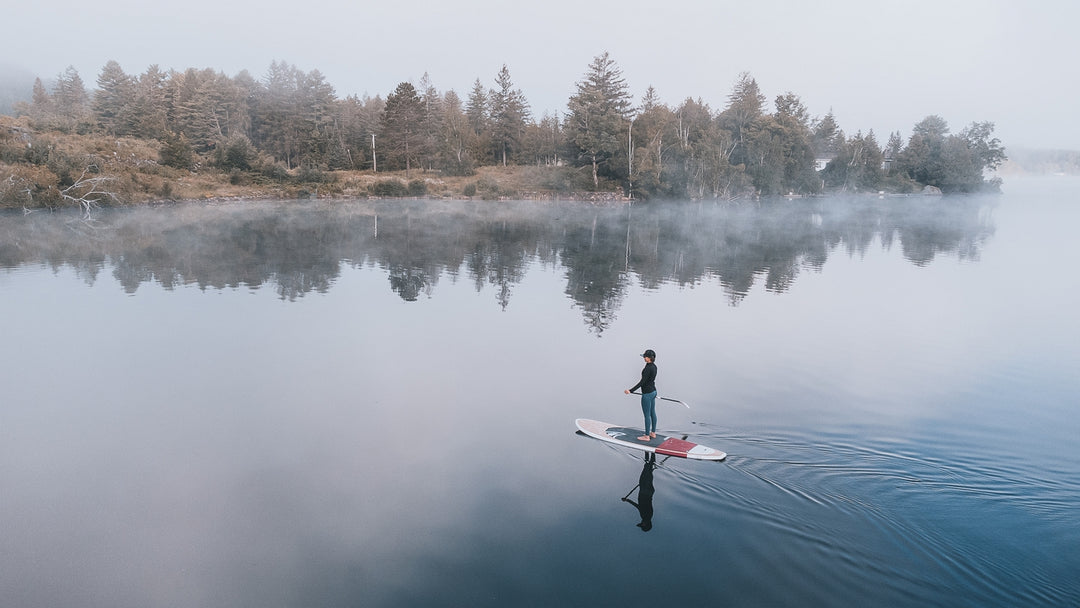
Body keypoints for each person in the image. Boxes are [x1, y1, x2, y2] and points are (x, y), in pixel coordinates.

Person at [625, 349, 658, 442]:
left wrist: (630, 390)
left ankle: (647, 436)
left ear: (649, 358)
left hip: (647, 394)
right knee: (652, 413)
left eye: (645, 357)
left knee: (647, 415)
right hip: (653, 392)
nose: (644, 358)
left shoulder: (648, 368)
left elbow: (642, 382)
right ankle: (653, 433)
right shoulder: (654, 366)